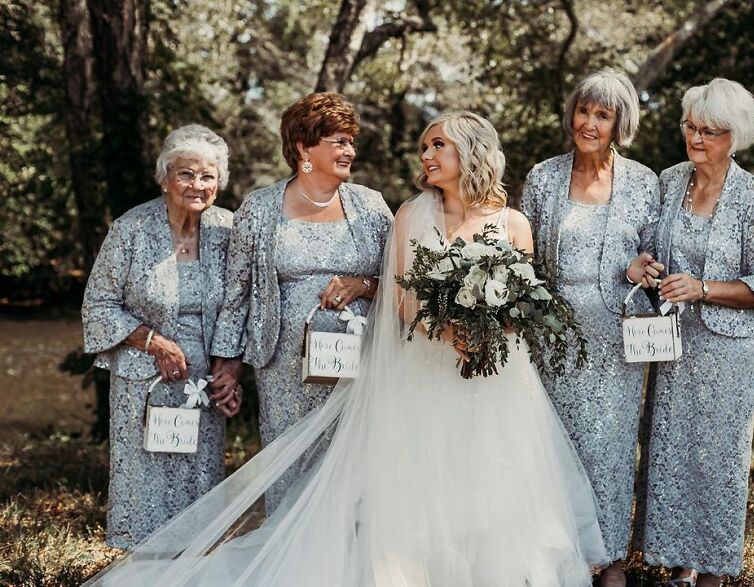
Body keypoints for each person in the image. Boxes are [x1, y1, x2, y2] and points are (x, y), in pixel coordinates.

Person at [83, 111, 607, 586]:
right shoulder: (399, 214)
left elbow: (522, 297)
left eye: (436, 146)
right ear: (303, 148)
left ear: (469, 151)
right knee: (381, 477)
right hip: (341, 364)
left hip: (469, 370)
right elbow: (393, 297)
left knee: (490, 474)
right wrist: (446, 331)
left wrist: (483, 331)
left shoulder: (489, 220)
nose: (424, 156)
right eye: (423, 146)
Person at [209, 92, 393, 511]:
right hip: (283, 371)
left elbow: (400, 283)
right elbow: (237, 293)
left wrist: (362, 284)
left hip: (359, 364)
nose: (350, 150)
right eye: (338, 141)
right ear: (303, 147)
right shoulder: (258, 208)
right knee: (291, 468)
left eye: (351, 141)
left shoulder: (370, 205)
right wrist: (229, 364)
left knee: (356, 468)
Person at [635, 79, 754, 587]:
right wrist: (649, 266)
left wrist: (701, 287)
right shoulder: (670, 179)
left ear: (734, 136)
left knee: (718, 455)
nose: (696, 139)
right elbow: (651, 242)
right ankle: (680, 564)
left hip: (728, 347)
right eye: (690, 127)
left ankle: (715, 569)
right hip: (673, 340)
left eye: (710, 131)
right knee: (671, 448)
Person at [521, 68, 662, 587]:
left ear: (619, 122)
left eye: (603, 115)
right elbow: (522, 256)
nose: (590, 122)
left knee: (610, 447)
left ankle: (609, 562)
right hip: (550, 336)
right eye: (584, 110)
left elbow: (654, 256)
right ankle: (557, 558)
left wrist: (643, 269)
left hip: (614, 338)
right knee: (551, 445)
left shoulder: (644, 182)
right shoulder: (543, 176)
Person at [81, 124, 238, 549]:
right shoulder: (131, 229)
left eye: (208, 176)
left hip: (202, 380)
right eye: (186, 174)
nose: (197, 185)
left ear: (219, 183)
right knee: (144, 488)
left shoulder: (229, 229)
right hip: (144, 380)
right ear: (165, 176)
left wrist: (230, 368)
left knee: (200, 484)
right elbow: (98, 304)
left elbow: (240, 302)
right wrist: (156, 342)